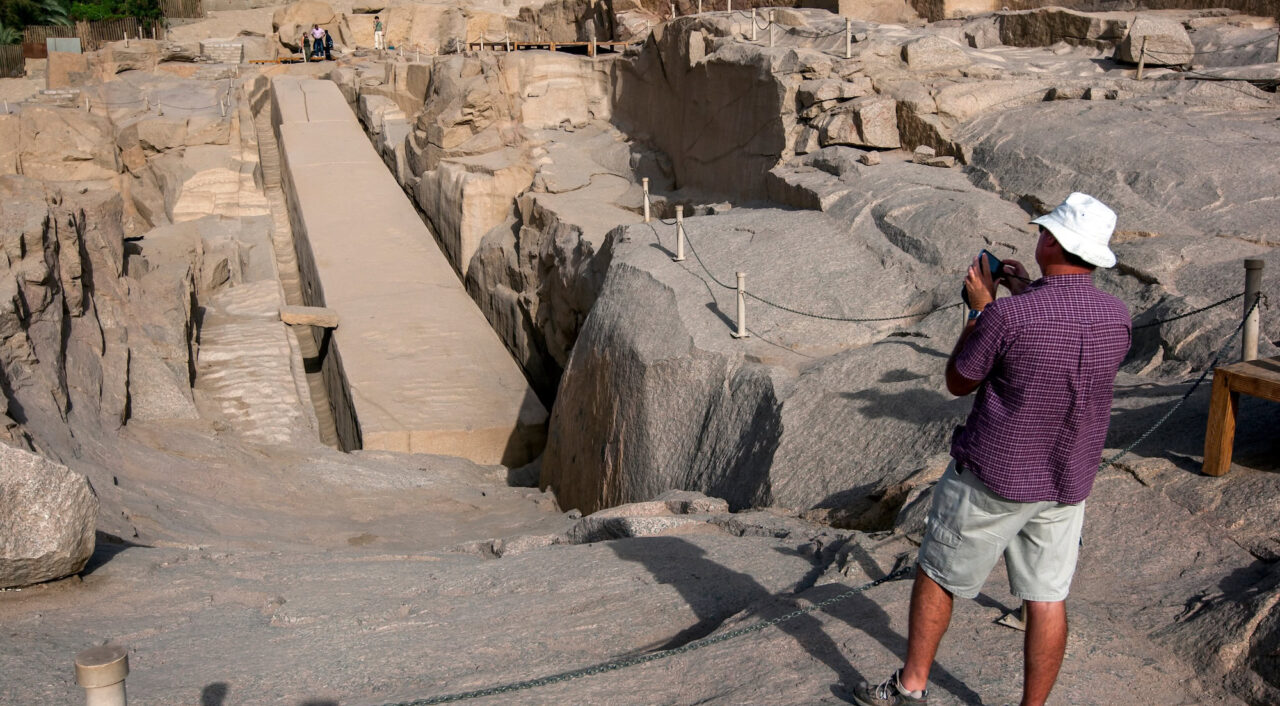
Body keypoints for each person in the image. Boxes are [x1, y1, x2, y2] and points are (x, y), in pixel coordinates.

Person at [853, 192, 1131, 706]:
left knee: (937, 574)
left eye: (1044, 232)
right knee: (1048, 598)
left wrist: (983, 311)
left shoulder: (1010, 318)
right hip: (1066, 481)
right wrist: (1027, 291)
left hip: (995, 478)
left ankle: (911, 687)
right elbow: (1064, 340)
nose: (1039, 237)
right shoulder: (1117, 317)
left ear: (1052, 242)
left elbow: (959, 380)